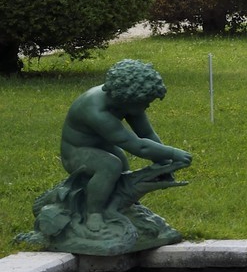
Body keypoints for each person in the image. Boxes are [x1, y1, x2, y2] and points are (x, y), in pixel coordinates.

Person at [60, 60, 192, 232]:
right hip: (75, 153)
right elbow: (139, 146)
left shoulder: (125, 101)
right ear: (130, 98)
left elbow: (147, 134)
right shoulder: (95, 110)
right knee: (109, 165)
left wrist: (163, 163)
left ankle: (123, 205)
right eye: (146, 102)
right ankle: (94, 212)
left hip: (102, 146)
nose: (148, 105)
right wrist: (174, 153)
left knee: (121, 161)